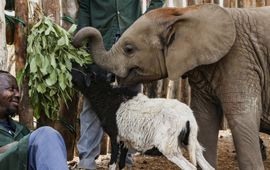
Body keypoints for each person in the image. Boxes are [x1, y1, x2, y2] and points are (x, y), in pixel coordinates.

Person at [76, 1, 164, 170]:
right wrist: (83, 38)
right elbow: (85, 8)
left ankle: (126, 160)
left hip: (132, 48)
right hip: (100, 46)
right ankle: (86, 161)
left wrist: (145, 22)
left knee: (131, 106)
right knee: (93, 103)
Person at [0, 70, 68, 170]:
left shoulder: (21, 129)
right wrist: (17, 146)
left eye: (18, 90)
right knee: (46, 134)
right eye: (11, 89)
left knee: (48, 136)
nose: (18, 95)